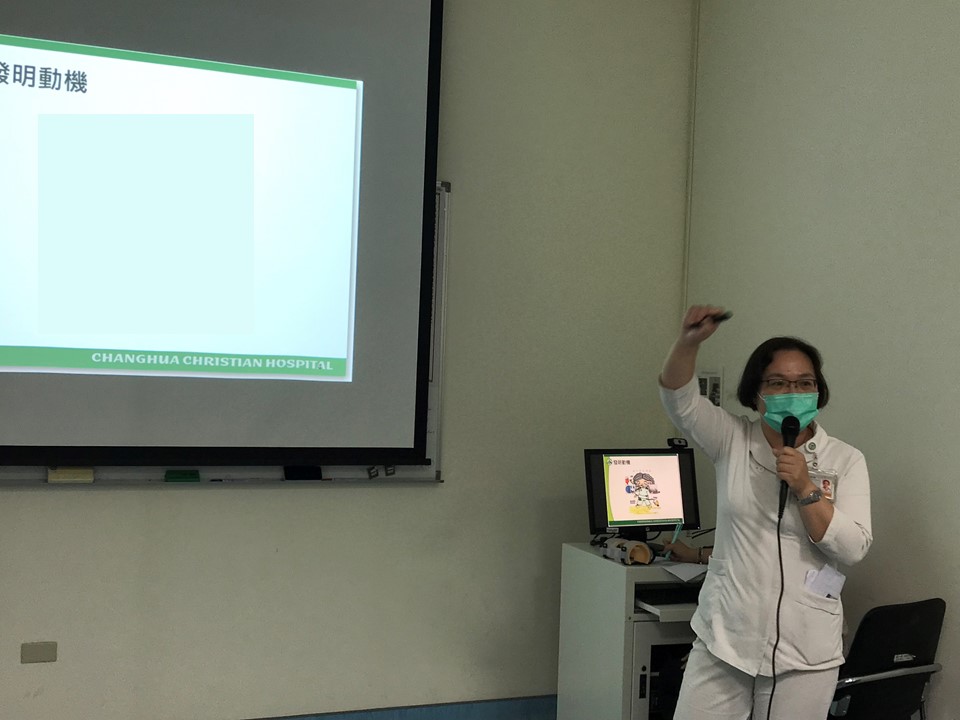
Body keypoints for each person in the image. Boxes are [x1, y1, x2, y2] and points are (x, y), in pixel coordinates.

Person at [658, 305, 872, 720]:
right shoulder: (732, 440)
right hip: (725, 638)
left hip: (805, 650)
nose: (793, 391)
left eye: (804, 382)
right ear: (756, 393)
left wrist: (806, 488)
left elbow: (853, 549)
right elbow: (678, 400)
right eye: (777, 382)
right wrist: (688, 342)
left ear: (818, 391)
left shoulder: (845, 459)